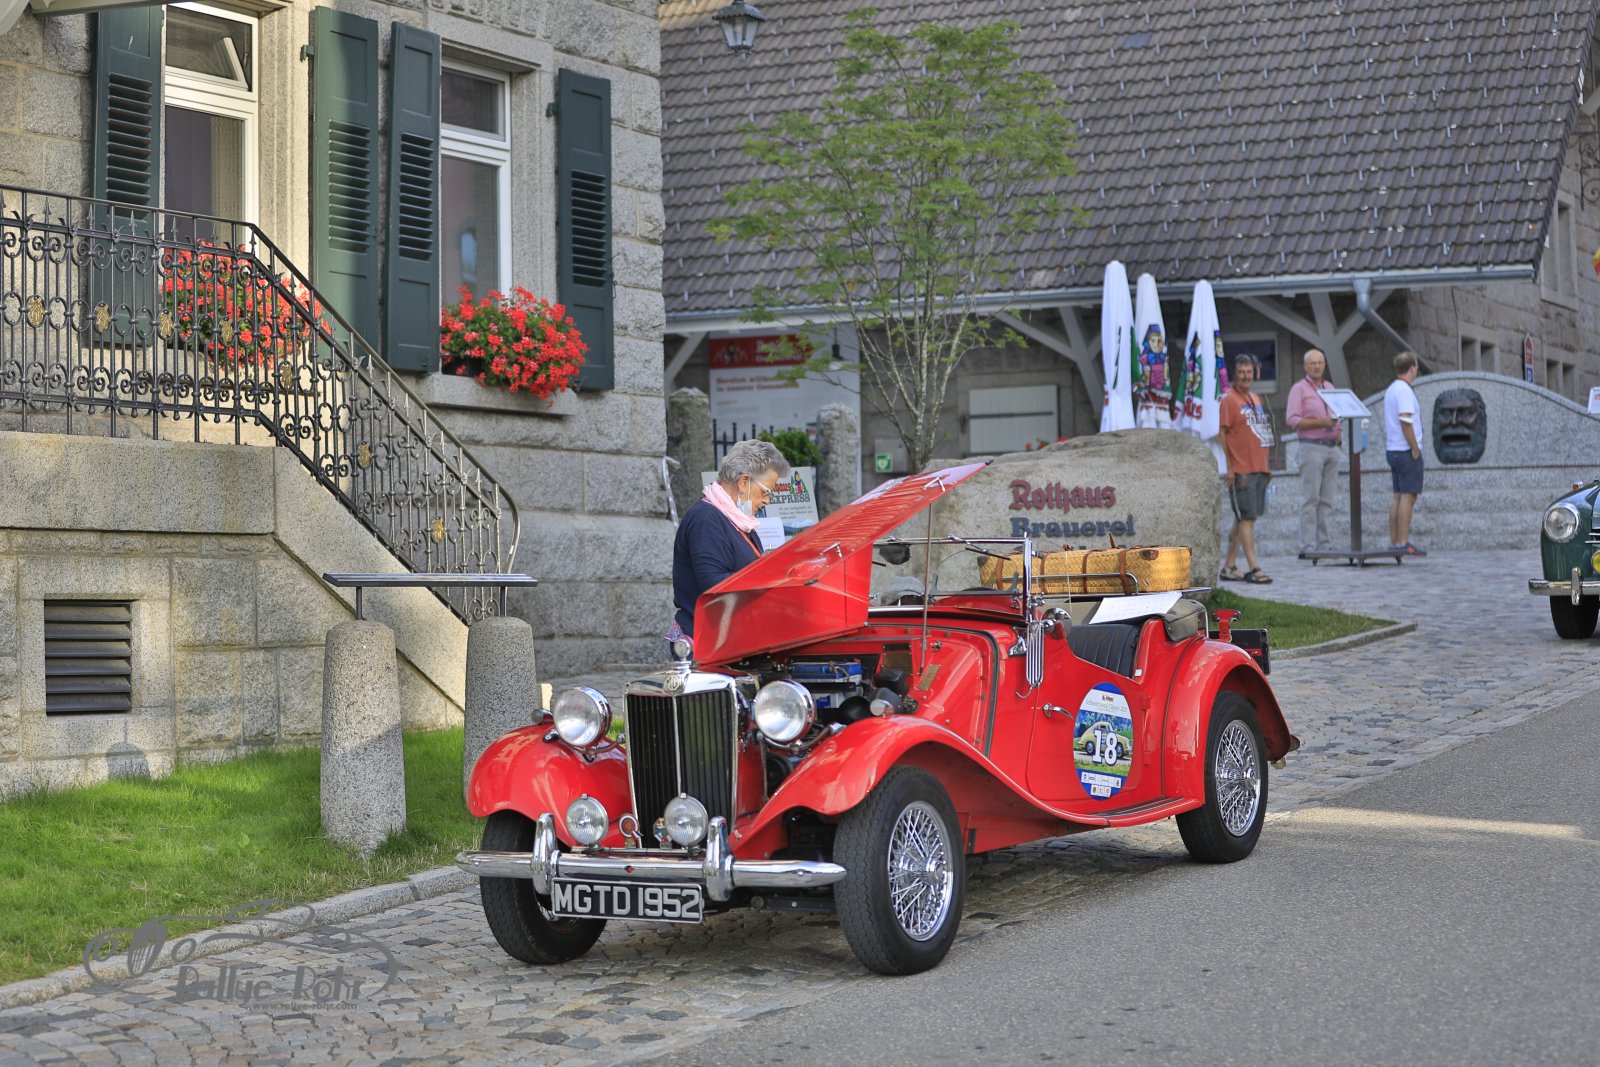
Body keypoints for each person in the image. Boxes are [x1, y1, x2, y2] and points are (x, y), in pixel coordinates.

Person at [671, 439, 791, 639]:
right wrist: (767, 575)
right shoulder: (705, 519)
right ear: (744, 482)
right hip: (706, 641)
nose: (767, 500)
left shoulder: (737, 519)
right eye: (765, 492)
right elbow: (714, 585)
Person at [1218, 353, 1274, 584]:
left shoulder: (1256, 398)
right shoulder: (1229, 400)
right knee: (1247, 519)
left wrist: (1267, 466)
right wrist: (1230, 467)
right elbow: (1222, 434)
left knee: (1243, 520)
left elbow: (1261, 433)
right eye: (1241, 372)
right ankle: (1254, 568)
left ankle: (1229, 567)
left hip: (1259, 468)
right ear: (1235, 373)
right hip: (1241, 471)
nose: (1245, 376)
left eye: (1249, 372)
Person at [1284, 348, 1342, 559]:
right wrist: (1321, 423)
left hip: (1332, 448)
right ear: (1305, 366)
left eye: (1320, 362)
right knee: (1311, 499)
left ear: (1325, 365)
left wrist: (1338, 434)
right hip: (1311, 447)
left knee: (1327, 500)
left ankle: (1325, 544)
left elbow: (1338, 415)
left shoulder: (1330, 388)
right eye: (1312, 363)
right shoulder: (1299, 389)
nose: (1317, 366)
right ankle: (1307, 546)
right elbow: (1292, 419)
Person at [1384, 350, 1426, 557]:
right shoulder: (1404, 391)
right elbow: (1405, 420)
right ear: (1412, 368)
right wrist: (1414, 447)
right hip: (1405, 450)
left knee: (1398, 496)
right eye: (1416, 366)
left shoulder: (1392, 389)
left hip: (1393, 449)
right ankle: (1402, 542)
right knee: (1408, 497)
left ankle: (1395, 541)